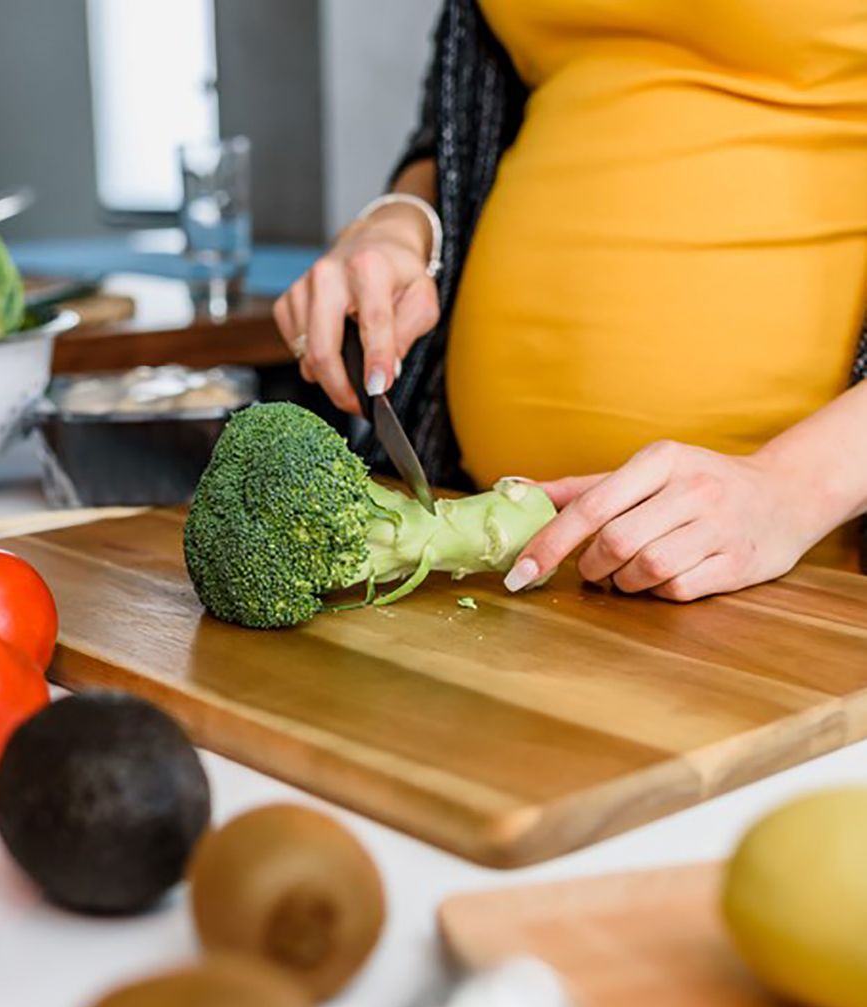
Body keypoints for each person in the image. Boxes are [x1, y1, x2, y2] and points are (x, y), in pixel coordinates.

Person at [274, 0, 867, 601]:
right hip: (499, 567)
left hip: (789, 582)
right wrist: (401, 223)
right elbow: (461, 122)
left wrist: (788, 488)